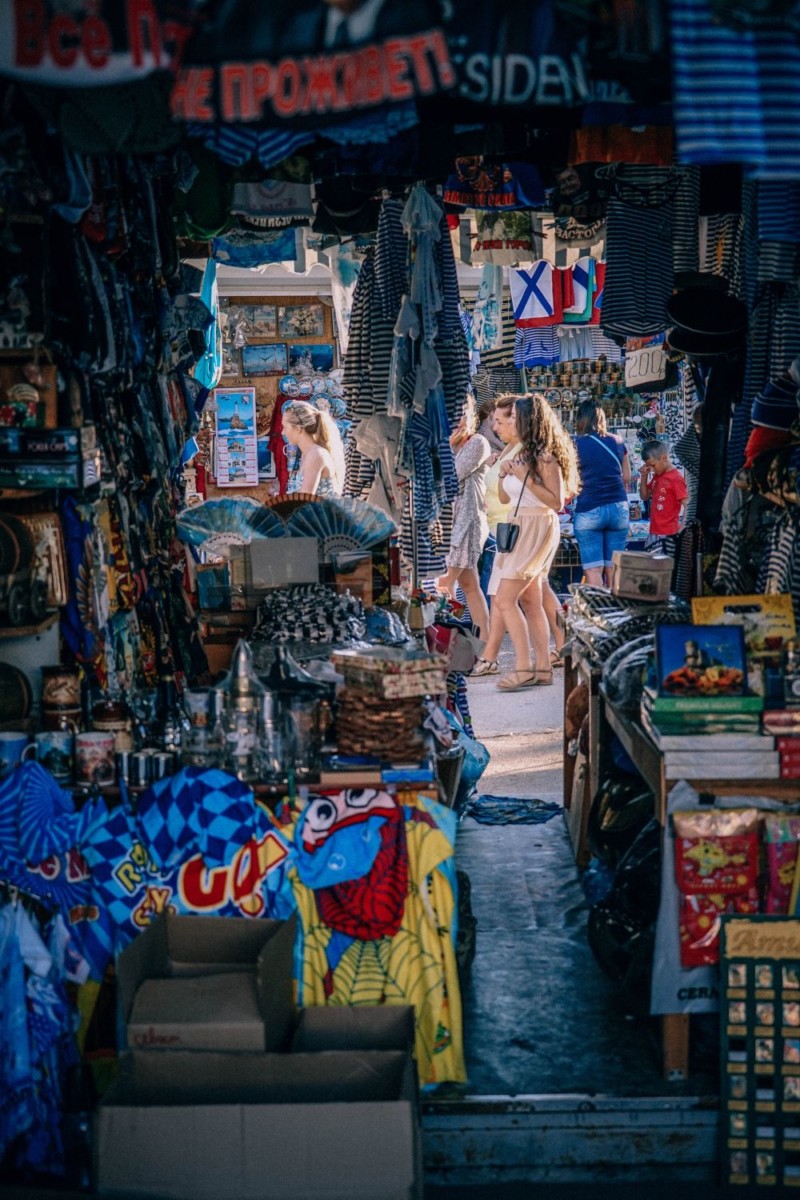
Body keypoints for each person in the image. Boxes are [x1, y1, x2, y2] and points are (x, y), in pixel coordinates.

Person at [481, 394, 578, 692]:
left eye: (513, 418)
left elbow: (555, 501)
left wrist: (524, 475)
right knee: (531, 600)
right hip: (519, 523)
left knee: (505, 598)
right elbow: (509, 496)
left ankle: (523, 667)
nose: (507, 425)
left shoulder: (546, 455)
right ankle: (542, 669)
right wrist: (504, 475)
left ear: (528, 421)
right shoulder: (520, 454)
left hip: (536, 525)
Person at [437, 407, 492, 640]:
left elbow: (449, 477)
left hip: (466, 523)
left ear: (471, 416)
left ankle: (450, 643)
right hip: (450, 523)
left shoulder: (478, 442)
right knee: (469, 585)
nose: (456, 421)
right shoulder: (449, 444)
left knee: (443, 584)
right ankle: (485, 649)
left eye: (461, 414)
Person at [572, 400, 631, 587]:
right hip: (619, 508)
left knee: (593, 569)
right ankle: (616, 612)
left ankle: (599, 612)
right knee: (613, 568)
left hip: (589, 508)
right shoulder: (618, 441)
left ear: (580, 420)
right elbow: (627, 476)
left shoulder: (576, 445)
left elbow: (572, 481)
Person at [282, 401, 345, 496]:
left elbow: (305, 501)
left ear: (298, 429)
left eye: (285, 427)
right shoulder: (308, 453)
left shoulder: (315, 455)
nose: (283, 432)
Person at [639, 438, 688, 556]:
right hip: (653, 531)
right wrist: (644, 477)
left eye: (653, 465)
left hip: (669, 533)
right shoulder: (657, 476)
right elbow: (644, 496)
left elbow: (687, 504)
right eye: (648, 467)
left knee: (666, 568)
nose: (651, 469)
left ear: (664, 458)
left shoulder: (676, 478)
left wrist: (683, 529)